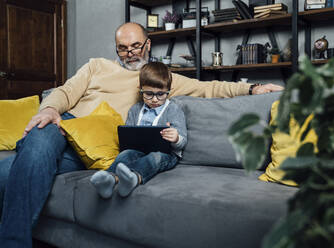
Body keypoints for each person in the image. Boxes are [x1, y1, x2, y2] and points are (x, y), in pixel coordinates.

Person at [0, 22, 283, 247]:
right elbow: (65, 91)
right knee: (40, 133)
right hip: (64, 128)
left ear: (148, 44)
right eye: (123, 48)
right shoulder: (97, 66)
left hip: (93, 150)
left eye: (136, 46)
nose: (130, 53)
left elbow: (208, 88)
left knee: (12, 167)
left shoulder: (156, 79)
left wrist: (252, 87)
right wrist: (49, 109)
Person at [90, 62, 187, 199]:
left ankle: (133, 178)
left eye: (160, 94)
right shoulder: (135, 110)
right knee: (125, 155)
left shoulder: (173, 109)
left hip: (166, 155)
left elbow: (182, 141)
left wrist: (176, 138)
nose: (154, 99)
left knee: (154, 158)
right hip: (138, 151)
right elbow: (128, 135)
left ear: (168, 91)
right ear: (140, 89)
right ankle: (109, 180)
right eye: (148, 94)